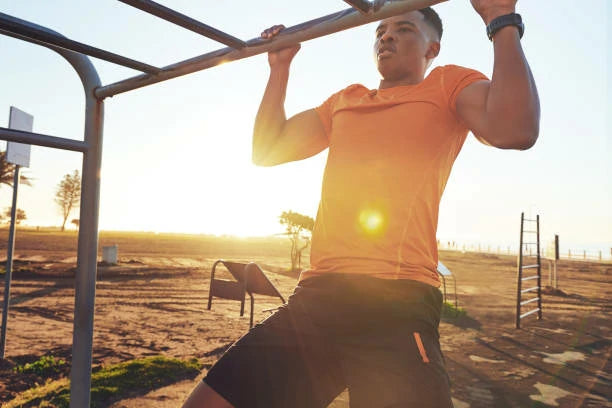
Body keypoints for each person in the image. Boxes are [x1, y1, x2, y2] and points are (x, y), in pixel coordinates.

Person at [183, 0, 539, 406]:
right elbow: (267, 149)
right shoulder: (345, 100)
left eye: (404, 28)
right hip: (318, 297)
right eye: (380, 30)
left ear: (431, 48)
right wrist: (279, 68)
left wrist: (500, 18)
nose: (386, 36)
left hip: (396, 303)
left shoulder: (447, 86)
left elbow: (516, 129)